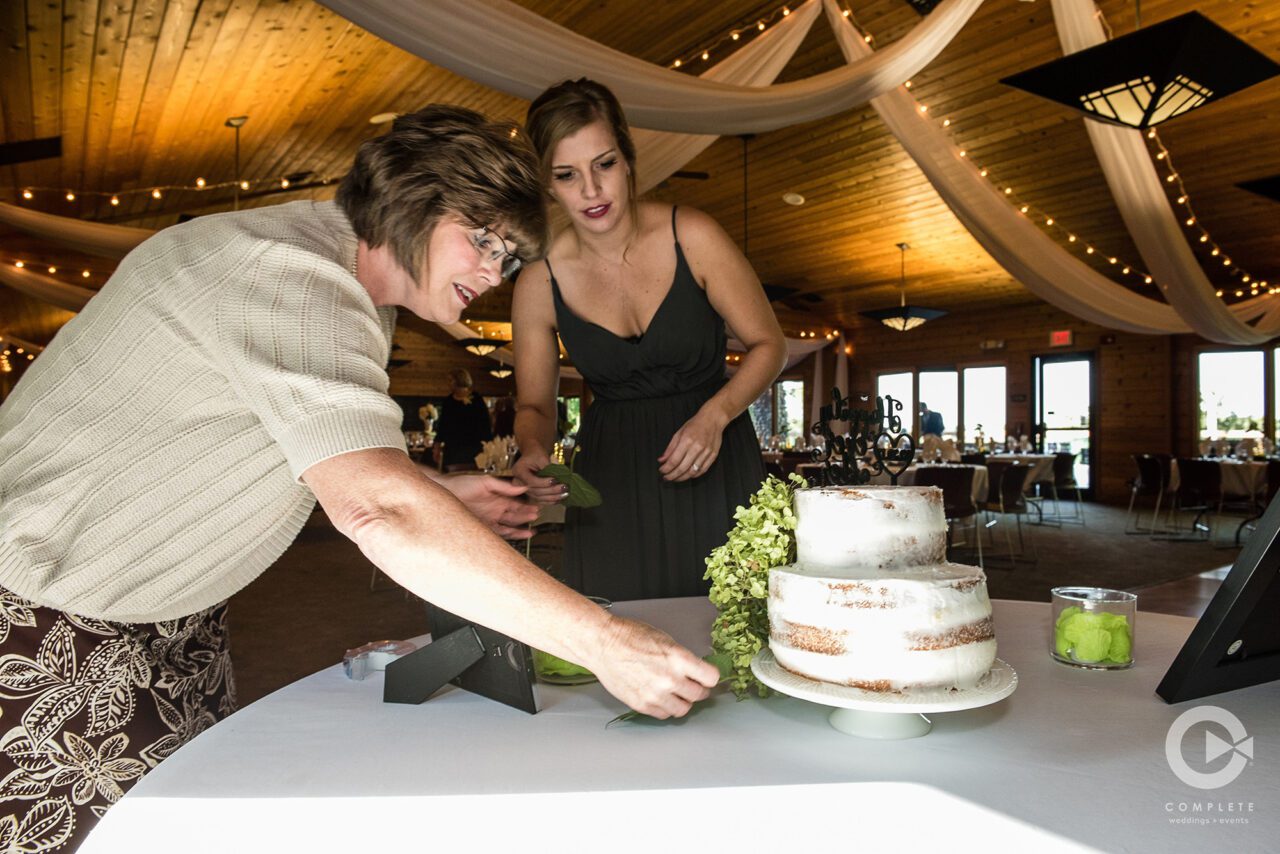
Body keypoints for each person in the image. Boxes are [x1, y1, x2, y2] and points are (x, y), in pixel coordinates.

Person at [0, 104, 717, 851]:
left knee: (196, 817)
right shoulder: (293, 275)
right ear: (410, 199)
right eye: (479, 240)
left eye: (505, 258)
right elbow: (378, 511)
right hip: (53, 616)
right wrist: (602, 641)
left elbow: (287, 450)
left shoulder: (354, 294)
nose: (490, 272)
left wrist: (438, 492)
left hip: (170, 613)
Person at [512, 79, 787, 601]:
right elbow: (533, 403)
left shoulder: (694, 235)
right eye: (567, 175)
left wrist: (715, 415)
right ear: (547, 185)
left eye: (605, 164)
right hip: (612, 478)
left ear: (629, 159)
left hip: (715, 455)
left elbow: (768, 345)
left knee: (737, 623)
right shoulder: (537, 280)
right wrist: (531, 447)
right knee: (624, 632)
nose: (591, 191)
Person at [434, 368, 494, 471]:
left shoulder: (476, 399)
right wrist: (437, 446)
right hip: (453, 449)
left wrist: (488, 447)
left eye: (450, 380)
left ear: (459, 380)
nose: (448, 383)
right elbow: (443, 426)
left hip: (473, 448)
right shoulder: (448, 401)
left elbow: (485, 424)